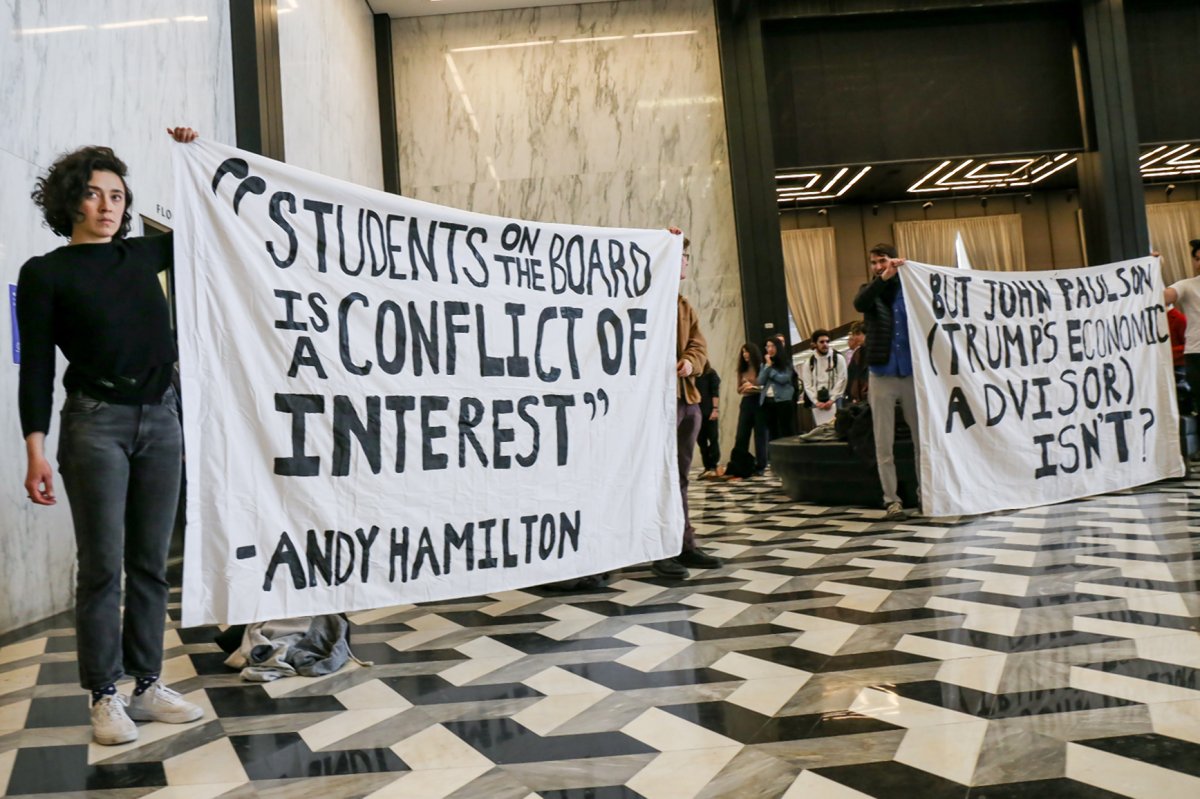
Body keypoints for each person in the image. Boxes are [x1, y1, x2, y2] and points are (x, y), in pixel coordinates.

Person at [18, 128, 205, 745]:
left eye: (118, 196)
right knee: (102, 566)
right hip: (95, 422)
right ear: (71, 201)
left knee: (151, 563)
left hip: (163, 418)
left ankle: (147, 685)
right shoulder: (46, 273)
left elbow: (211, 219)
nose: (107, 206)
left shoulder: (144, 256)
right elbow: (39, 365)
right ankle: (104, 694)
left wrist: (196, 152)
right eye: (94, 195)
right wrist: (36, 448)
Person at [653, 230, 723, 579]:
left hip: (687, 400)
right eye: (680, 255)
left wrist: (690, 364)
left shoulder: (683, 305)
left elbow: (700, 347)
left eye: (685, 256)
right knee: (656, 478)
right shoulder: (646, 299)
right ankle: (659, 547)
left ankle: (683, 544)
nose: (684, 262)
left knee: (680, 477)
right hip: (655, 405)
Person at [853, 243, 920, 520]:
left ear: (893, 259)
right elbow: (860, 303)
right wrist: (883, 279)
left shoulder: (911, 290)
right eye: (874, 262)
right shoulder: (870, 291)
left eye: (882, 260)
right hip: (881, 372)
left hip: (910, 373)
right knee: (883, 442)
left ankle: (924, 493)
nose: (878, 266)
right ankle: (891, 500)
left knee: (921, 439)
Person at [1164, 239, 1200, 427]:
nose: (1199, 263)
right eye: (1197, 259)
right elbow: (1164, 297)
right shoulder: (1187, 285)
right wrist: (1152, 270)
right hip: (1196, 354)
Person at [725, 343, 768, 478]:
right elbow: (739, 389)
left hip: (759, 402)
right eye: (743, 352)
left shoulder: (761, 367)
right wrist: (745, 388)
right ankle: (740, 464)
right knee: (741, 434)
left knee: (760, 435)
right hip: (746, 402)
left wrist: (751, 387)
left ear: (753, 353)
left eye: (747, 352)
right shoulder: (742, 369)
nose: (745, 355)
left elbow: (765, 387)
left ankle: (761, 466)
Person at [801, 328, 846, 426]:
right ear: (815, 344)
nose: (825, 344)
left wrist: (832, 399)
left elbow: (842, 379)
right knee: (819, 430)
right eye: (821, 342)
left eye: (827, 341)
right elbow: (807, 385)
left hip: (836, 400)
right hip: (817, 401)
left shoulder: (838, 358)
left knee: (838, 427)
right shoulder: (809, 363)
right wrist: (816, 402)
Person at [759, 334, 797, 439]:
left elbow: (784, 379)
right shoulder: (765, 364)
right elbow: (760, 381)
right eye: (768, 346)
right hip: (767, 401)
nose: (770, 349)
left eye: (772, 346)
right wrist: (767, 366)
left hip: (783, 401)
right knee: (772, 432)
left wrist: (770, 370)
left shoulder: (786, 363)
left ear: (778, 348)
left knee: (786, 431)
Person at [695, 363, 722, 478]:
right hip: (697, 412)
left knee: (713, 439)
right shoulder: (693, 375)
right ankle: (707, 467)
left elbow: (715, 392)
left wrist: (715, 409)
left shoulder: (711, 373)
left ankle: (714, 466)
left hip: (710, 412)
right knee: (701, 441)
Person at [844, 321, 870, 405]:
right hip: (860, 397)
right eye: (854, 334)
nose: (855, 338)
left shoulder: (873, 351)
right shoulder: (857, 353)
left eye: (858, 334)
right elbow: (851, 375)